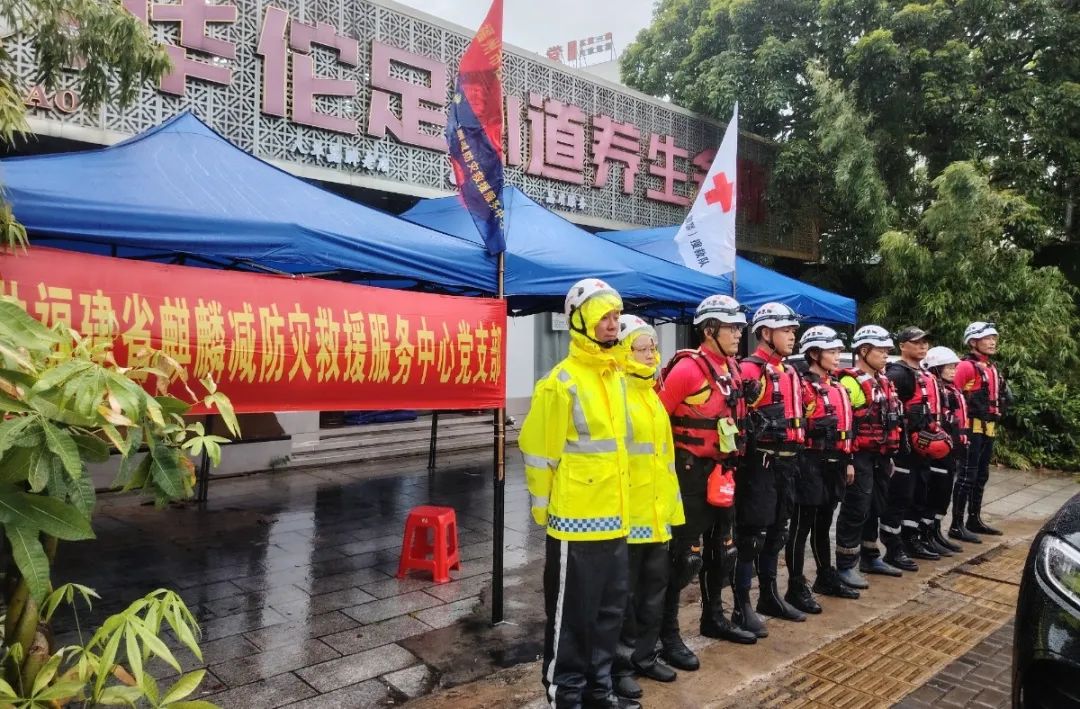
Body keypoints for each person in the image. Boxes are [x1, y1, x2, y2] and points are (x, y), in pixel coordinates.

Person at [520, 278, 638, 709]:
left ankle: (598, 690)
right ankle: (565, 694)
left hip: (616, 518)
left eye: (616, 316)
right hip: (576, 522)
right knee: (572, 618)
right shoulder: (560, 382)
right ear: (581, 321)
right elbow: (538, 451)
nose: (613, 323)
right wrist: (544, 510)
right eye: (604, 316)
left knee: (609, 614)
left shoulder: (616, 377)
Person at [656, 294, 756, 671]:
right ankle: (667, 635)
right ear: (709, 330)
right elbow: (656, 420)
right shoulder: (687, 369)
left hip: (724, 470)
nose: (739, 333)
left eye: (740, 327)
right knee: (686, 558)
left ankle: (714, 617)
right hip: (690, 472)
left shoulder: (731, 368)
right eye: (732, 327)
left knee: (724, 549)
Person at [610, 315, 685, 701]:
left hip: (657, 516)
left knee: (654, 591)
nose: (651, 354)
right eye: (642, 348)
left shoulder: (653, 397)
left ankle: (645, 655)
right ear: (624, 351)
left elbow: (664, 462)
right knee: (624, 597)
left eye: (653, 347)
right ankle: (620, 666)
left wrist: (673, 512)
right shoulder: (617, 395)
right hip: (628, 517)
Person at [738, 302, 807, 634]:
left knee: (779, 532)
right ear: (765, 333)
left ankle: (769, 595)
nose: (792, 336)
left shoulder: (789, 371)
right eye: (786, 331)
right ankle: (741, 606)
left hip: (787, 463)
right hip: (760, 464)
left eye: (793, 331)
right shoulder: (750, 370)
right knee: (752, 535)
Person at [786, 325, 859, 611]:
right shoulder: (802, 386)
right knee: (801, 526)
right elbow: (793, 423)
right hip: (809, 461)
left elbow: (847, 427)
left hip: (834, 461)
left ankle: (825, 576)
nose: (838, 355)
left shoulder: (837, 385)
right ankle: (795, 585)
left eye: (838, 350)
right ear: (814, 354)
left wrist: (848, 460)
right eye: (832, 351)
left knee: (823, 523)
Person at [834, 325, 904, 589]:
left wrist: (890, 456)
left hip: (880, 455)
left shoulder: (883, 381)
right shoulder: (850, 382)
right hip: (860, 454)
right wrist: (848, 460)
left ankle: (870, 556)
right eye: (881, 350)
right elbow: (846, 424)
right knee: (856, 507)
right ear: (864, 351)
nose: (886, 354)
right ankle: (845, 565)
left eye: (887, 350)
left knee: (876, 505)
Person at [884, 327, 954, 567]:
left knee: (919, 496)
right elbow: (888, 409)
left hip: (923, 449)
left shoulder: (924, 373)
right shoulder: (898, 374)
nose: (923, 345)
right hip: (905, 450)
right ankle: (892, 547)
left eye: (925, 342)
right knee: (899, 498)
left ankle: (911, 539)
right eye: (916, 342)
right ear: (902, 346)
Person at [953, 322, 1006, 537]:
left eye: (994, 338)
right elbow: (953, 396)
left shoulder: (991, 367)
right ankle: (956, 525)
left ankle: (974, 519)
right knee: (967, 475)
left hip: (988, 427)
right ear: (973, 342)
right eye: (987, 338)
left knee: (981, 475)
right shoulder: (966, 366)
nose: (992, 342)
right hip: (971, 428)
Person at [923, 346, 973, 549]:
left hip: (953, 450)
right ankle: (926, 533)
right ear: (936, 368)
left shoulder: (952, 390)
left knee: (944, 494)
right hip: (939, 451)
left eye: (954, 367)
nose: (953, 371)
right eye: (949, 367)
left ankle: (935, 531)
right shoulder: (935, 390)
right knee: (935, 492)